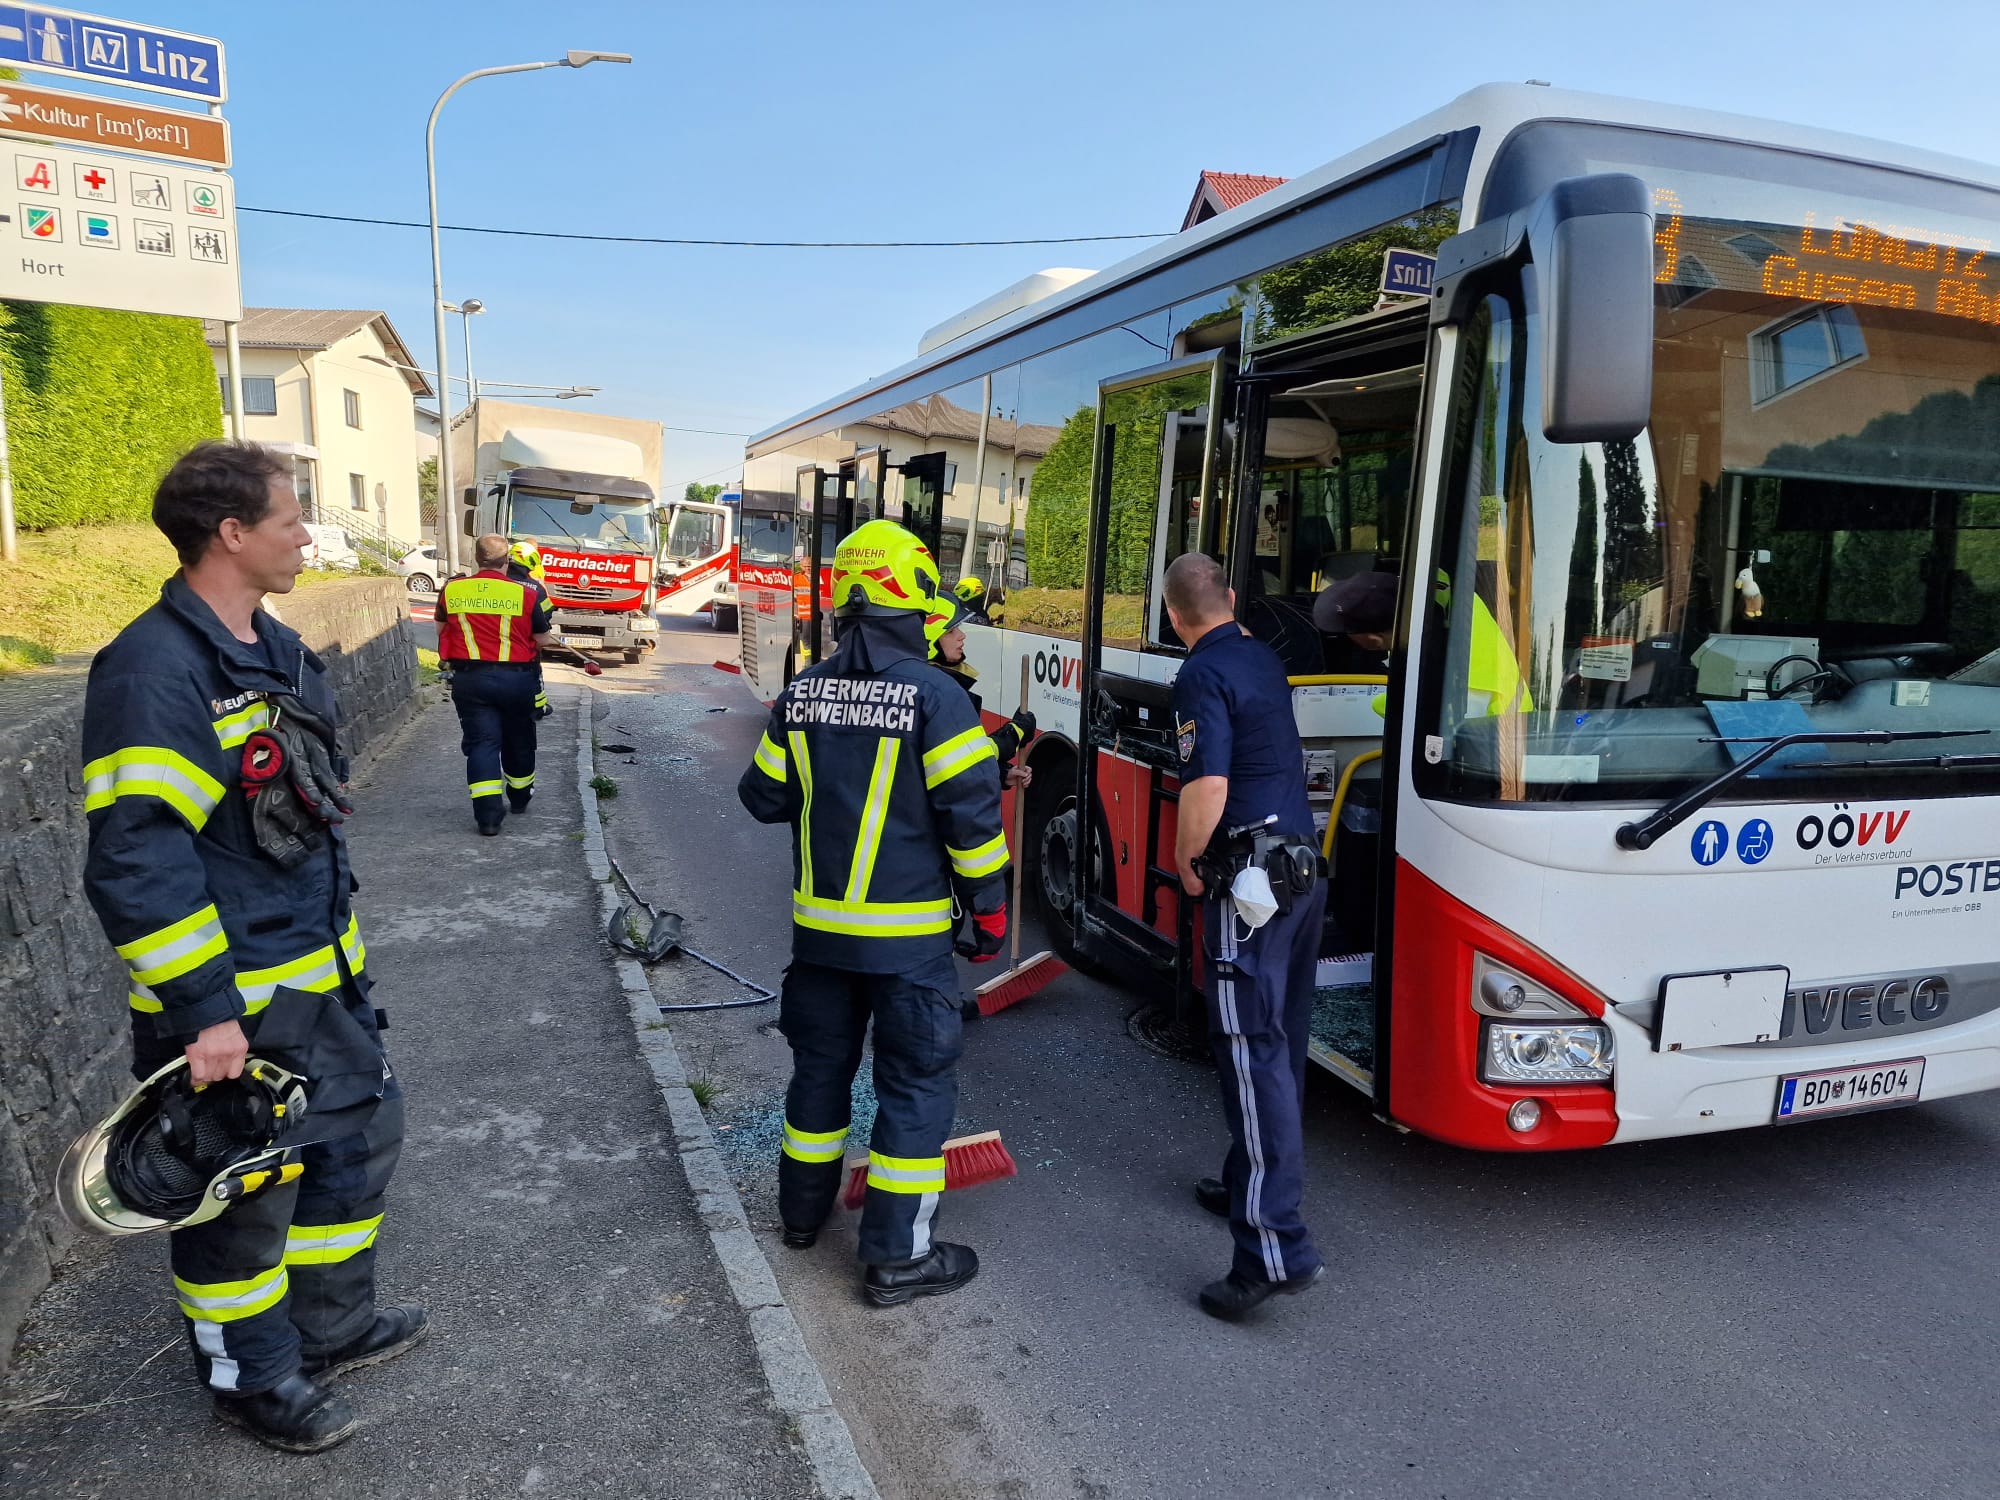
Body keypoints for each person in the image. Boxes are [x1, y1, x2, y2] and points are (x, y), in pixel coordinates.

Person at [80, 441, 422, 1453]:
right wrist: (203, 1014)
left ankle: (328, 1331)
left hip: (324, 987)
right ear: (230, 534)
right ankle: (252, 1381)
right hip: (237, 1014)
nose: (306, 535)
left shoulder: (273, 648)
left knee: (354, 1150)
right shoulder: (153, 671)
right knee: (241, 1209)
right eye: (288, 519)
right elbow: (138, 860)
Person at [738, 519, 1010, 1306]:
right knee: (915, 1090)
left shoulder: (803, 691)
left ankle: (800, 1219)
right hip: (910, 951)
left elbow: (761, 799)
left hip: (819, 943)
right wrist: (988, 917)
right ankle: (896, 1259)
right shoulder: (936, 699)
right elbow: (973, 826)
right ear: (910, 601)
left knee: (819, 1077)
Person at [1164, 551, 1326, 1321]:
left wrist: (1188, 862)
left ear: (1172, 615)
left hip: (1248, 888)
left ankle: (1272, 1248)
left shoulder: (1199, 675)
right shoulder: (1261, 655)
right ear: (1229, 599)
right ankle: (1244, 1178)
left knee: (1247, 1053)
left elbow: (1210, 785)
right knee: (1279, 1041)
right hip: (1300, 875)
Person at [434, 533, 557, 834]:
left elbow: (441, 628)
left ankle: (488, 819)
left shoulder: (453, 589)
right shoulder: (525, 593)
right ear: (507, 560)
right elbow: (541, 638)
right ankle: (518, 798)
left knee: (482, 744)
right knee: (519, 740)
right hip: (517, 680)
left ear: (477, 558)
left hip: (470, 680)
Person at [928, 591, 1034, 792]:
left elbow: (947, 767)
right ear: (929, 638)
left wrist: (1002, 773)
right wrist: (1014, 733)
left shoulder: (934, 682)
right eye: (950, 631)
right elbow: (966, 753)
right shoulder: (938, 692)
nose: (962, 635)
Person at [505, 539, 554, 720]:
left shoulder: (499, 582)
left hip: (494, 644)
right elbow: (547, 614)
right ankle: (538, 706)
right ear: (531, 562)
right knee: (534, 672)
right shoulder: (536, 589)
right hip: (525, 643)